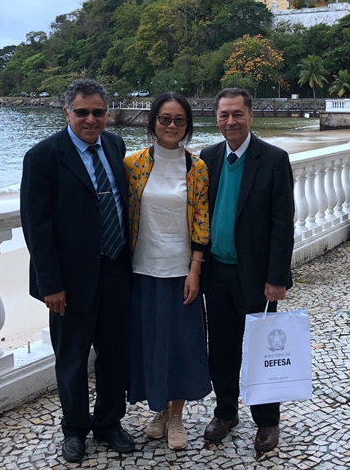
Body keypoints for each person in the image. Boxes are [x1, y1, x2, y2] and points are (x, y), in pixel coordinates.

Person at [20, 79, 135, 463]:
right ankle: (74, 429)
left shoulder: (115, 146)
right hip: (69, 281)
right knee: (71, 360)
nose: (90, 119)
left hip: (117, 270)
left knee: (115, 355)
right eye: (82, 112)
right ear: (66, 112)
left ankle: (109, 423)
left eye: (98, 112)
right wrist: (50, 283)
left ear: (107, 114)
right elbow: (36, 227)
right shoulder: (43, 156)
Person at [199, 87, 295, 453]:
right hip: (216, 272)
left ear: (250, 116)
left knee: (262, 350)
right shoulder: (209, 157)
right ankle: (225, 412)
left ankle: (267, 421)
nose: (230, 121)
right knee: (221, 350)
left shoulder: (273, 159)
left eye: (237, 114)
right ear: (217, 119)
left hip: (255, 275)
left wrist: (277, 278)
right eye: (224, 115)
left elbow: (282, 223)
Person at [124, 92, 211, 450]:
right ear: (153, 122)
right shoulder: (133, 165)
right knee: (151, 343)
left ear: (187, 125)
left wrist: (195, 269)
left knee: (181, 343)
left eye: (179, 120)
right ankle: (158, 409)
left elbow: (202, 221)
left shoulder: (197, 168)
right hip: (142, 268)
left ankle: (176, 415)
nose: (172, 125)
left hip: (180, 270)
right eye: (165, 119)